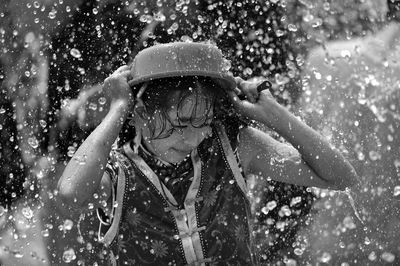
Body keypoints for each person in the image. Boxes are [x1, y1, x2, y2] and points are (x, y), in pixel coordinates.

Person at [57, 42, 359, 265]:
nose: (191, 137)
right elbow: (70, 191)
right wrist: (117, 108)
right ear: (139, 113)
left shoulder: (234, 149)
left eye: (203, 121)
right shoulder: (118, 173)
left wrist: (276, 115)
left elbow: (341, 177)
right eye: (179, 122)